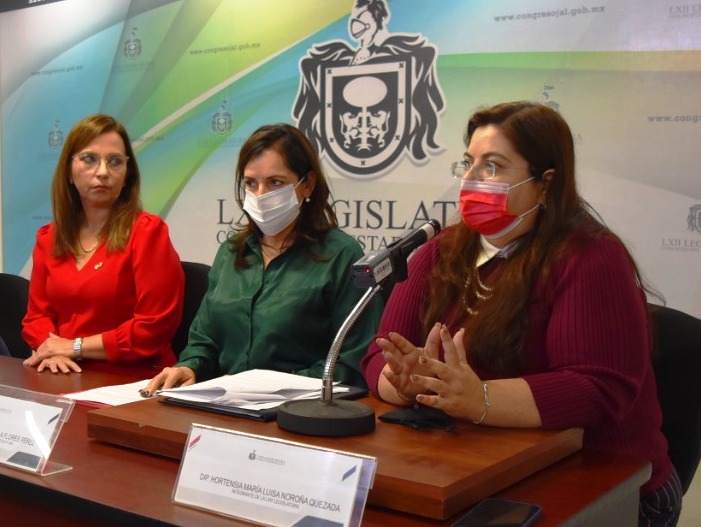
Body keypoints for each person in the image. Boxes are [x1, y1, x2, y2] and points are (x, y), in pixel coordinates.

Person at [361, 101, 681, 527]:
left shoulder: (591, 256)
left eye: (492, 167)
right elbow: (380, 354)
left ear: (545, 183)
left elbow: (598, 389)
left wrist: (478, 399)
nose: (470, 179)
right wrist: (405, 384)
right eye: (468, 164)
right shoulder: (440, 250)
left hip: (606, 480)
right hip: (475, 465)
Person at [141, 123, 382, 395]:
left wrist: (269, 389)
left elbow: (352, 362)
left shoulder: (342, 255)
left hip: (301, 408)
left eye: (275, 182)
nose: (260, 195)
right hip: (224, 403)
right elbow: (204, 341)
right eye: (251, 183)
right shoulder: (231, 252)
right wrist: (191, 367)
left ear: (308, 184)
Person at [22, 114, 184, 378]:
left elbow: (153, 328)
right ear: (69, 172)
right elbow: (36, 318)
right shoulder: (49, 238)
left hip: (133, 379)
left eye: (115, 161)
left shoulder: (147, 232)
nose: (103, 172)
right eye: (89, 159)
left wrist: (74, 347)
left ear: (127, 174)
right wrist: (50, 349)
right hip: (63, 373)